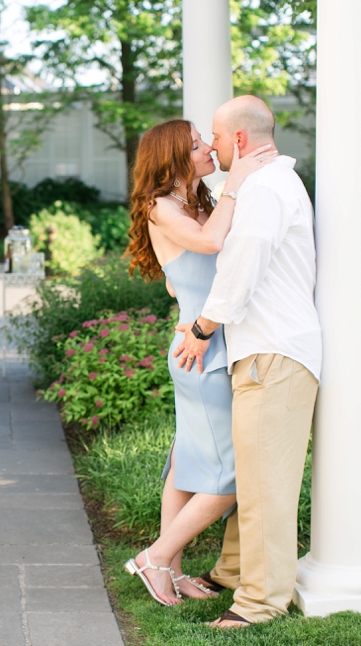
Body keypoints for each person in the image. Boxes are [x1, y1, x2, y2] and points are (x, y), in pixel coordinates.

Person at [173, 95, 322, 628]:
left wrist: (200, 329)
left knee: (263, 488)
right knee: (250, 474)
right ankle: (233, 571)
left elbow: (241, 270)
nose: (211, 146)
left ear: (238, 140)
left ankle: (258, 603)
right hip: (267, 352)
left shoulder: (264, 188)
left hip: (272, 354)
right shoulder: (269, 182)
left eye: (215, 136)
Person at [121, 118, 276, 606]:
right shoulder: (161, 205)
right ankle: (157, 555)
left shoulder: (197, 202)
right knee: (232, 476)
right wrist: (237, 181)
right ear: (173, 158)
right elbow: (209, 245)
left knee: (186, 461)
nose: (209, 147)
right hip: (202, 353)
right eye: (195, 145)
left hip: (204, 342)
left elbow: (188, 274)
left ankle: (171, 568)